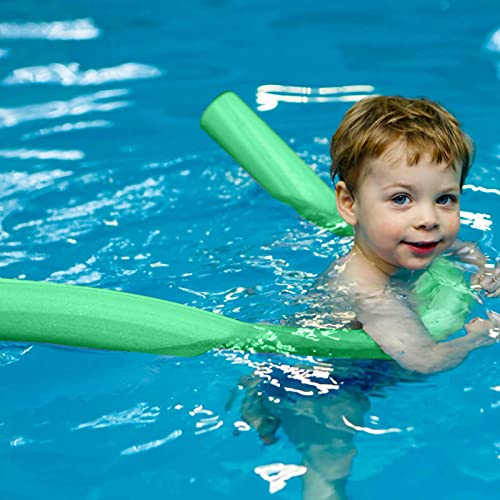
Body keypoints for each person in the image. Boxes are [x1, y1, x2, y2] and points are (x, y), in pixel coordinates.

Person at [237, 96, 499, 499]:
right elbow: (425, 360)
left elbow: (461, 247)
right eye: (401, 199)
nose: (428, 218)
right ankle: (264, 398)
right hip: (317, 382)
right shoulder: (368, 289)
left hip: (354, 364)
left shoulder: (414, 241)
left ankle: (257, 398)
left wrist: (481, 269)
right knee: (331, 464)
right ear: (349, 204)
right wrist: (478, 336)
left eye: (445, 198)